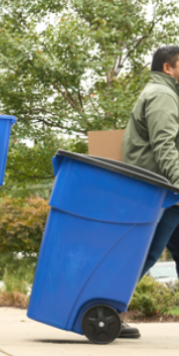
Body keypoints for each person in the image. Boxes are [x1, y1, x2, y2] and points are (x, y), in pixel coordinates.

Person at [122, 45, 179, 339]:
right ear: (168, 68)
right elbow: (164, 145)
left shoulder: (166, 95)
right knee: (144, 254)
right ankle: (107, 308)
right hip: (163, 191)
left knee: (147, 253)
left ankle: (107, 307)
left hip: (166, 190)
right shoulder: (162, 96)